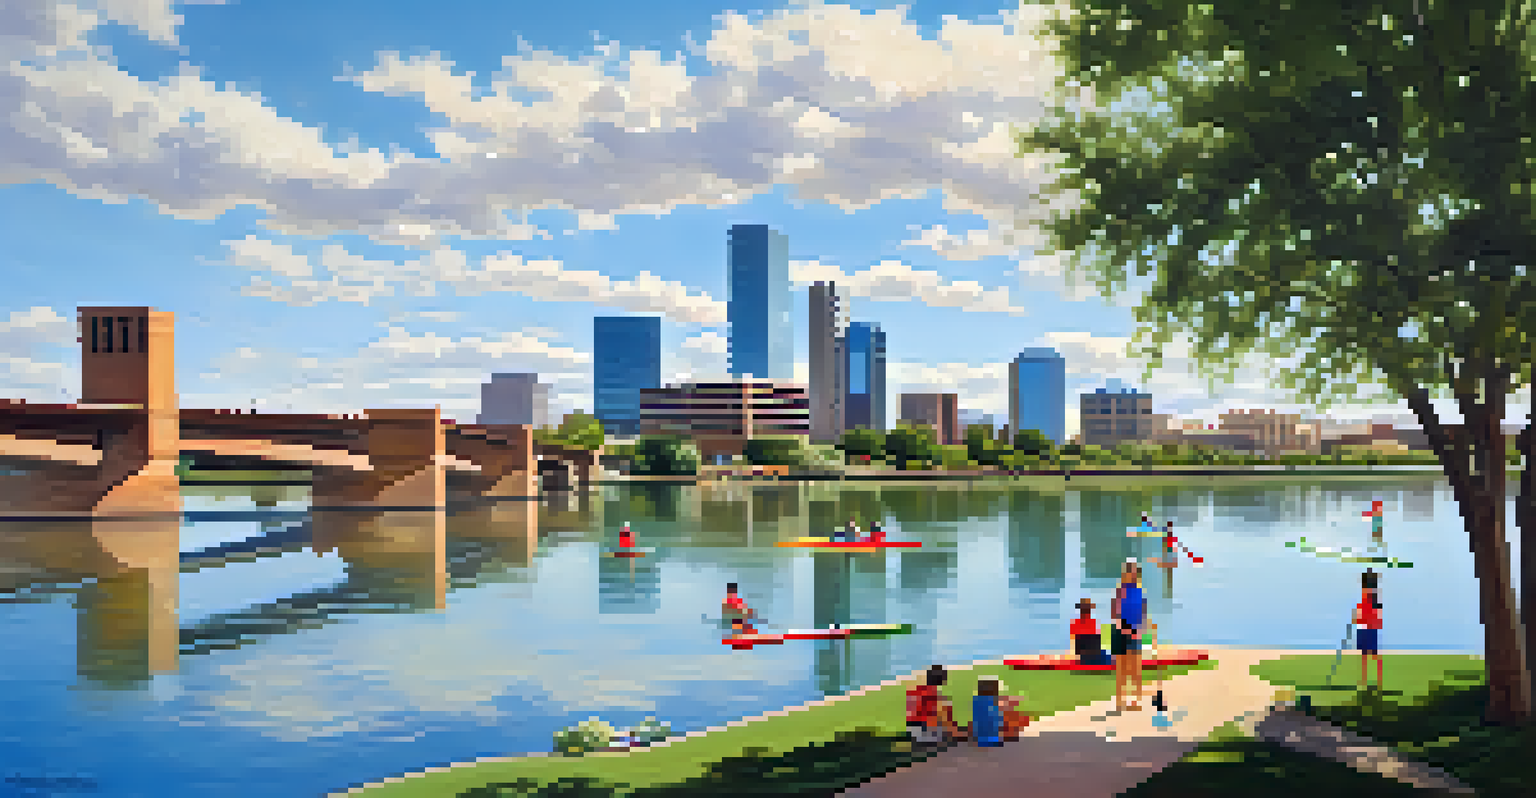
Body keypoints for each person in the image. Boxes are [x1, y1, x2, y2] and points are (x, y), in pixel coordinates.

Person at [1111, 559, 1147, 711]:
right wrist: (1122, 628)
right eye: (1129, 570)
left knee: (1135, 669)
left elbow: (1143, 614)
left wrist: (1139, 630)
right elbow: (1115, 612)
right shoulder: (1120, 591)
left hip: (1135, 631)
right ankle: (1120, 700)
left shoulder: (1139, 591)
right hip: (1121, 631)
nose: (1132, 573)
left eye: (1134, 570)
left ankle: (1136, 700)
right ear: (1125, 572)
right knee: (1121, 669)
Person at [907, 665, 961, 746]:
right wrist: (953, 730)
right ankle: (954, 734)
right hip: (925, 734)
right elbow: (939, 718)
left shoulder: (915, 690)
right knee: (946, 707)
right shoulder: (934, 696)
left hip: (913, 732)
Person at [1354, 569, 1384, 689]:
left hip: (1369, 626)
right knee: (1365, 655)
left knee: (1371, 654)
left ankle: (1376, 679)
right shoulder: (1369, 595)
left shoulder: (1372, 595)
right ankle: (1366, 679)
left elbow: (1374, 610)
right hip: (1365, 626)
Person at [1071, 598, 1111, 665]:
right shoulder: (1076, 623)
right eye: (1085, 610)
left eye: (1087, 610)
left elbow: (1097, 642)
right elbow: (1075, 644)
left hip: (1095, 652)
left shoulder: (1093, 622)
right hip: (1086, 654)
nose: (1087, 612)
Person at [971, 678, 1006, 747]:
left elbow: (976, 720)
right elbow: (998, 719)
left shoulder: (976, 701)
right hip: (992, 738)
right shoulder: (994, 701)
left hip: (980, 738)